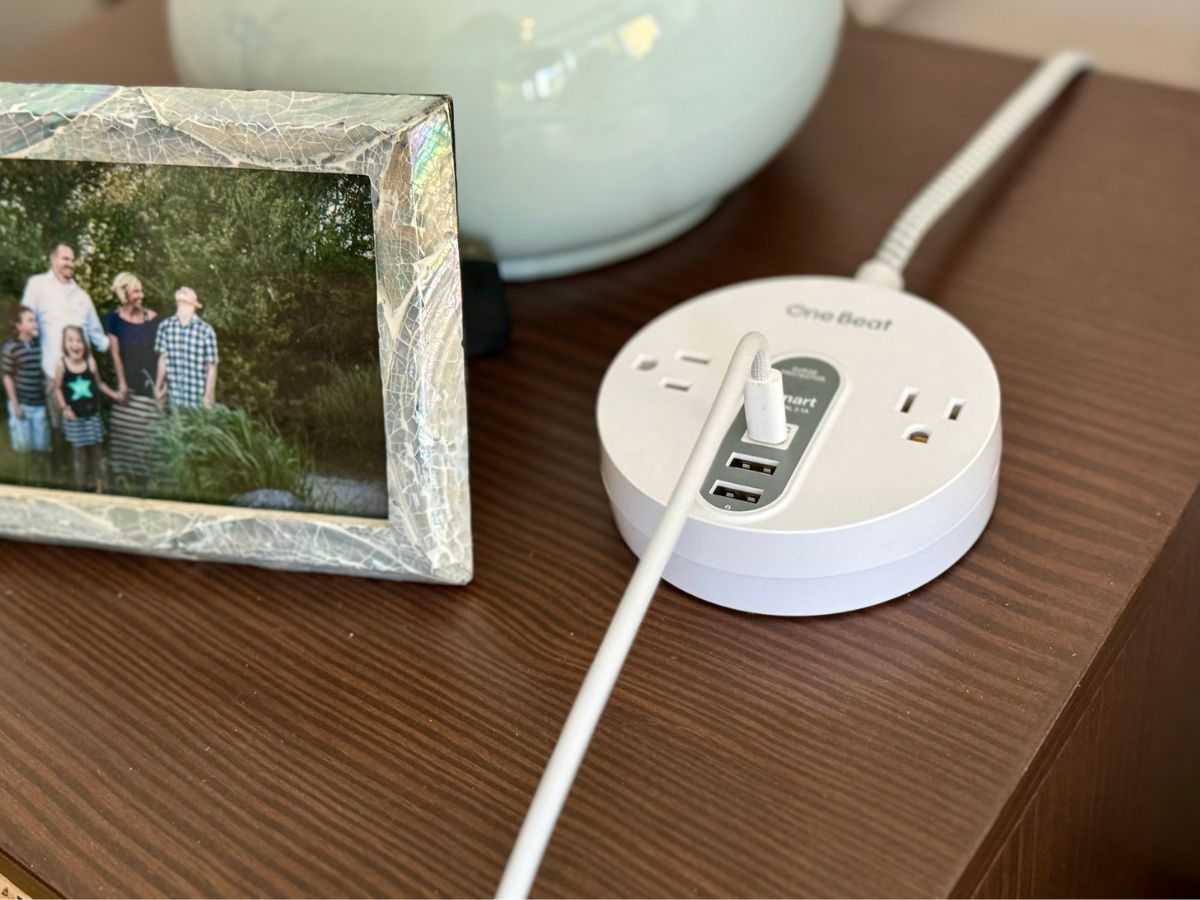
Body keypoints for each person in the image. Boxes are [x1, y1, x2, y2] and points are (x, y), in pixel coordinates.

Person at [21, 242, 110, 429]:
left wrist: (117, 346)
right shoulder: (38, 286)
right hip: (56, 375)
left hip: (85, 374)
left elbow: (97, 334)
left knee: (88, 428)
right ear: (53, 260)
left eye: (72, 259)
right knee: (60, 429)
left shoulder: (82, 295)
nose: (70, 263)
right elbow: (26, 322)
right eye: (65, 258)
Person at [104, 272, 162, 479]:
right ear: (124, 293)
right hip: (128, 391)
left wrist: (161, 387)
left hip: (150, 391)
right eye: (136, 291)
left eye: (141, 290)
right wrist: (121, 384)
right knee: (124, 446)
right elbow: (115, 354)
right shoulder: (114, 320)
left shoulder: (154, 319)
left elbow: (162, 356)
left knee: (149, 447)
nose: (141, 295)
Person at [55, 325, 120, 492]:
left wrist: (115, 395)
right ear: (64, 343)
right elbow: (57, 388)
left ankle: (103, 488)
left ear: (84, 344)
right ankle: (80, 490)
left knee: (98, 454)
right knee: (79, 456)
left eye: (79, 340)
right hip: (74, 418)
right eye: (70, 340)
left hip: (92, 416)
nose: (75, 344)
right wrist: (65, 408)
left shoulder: (90, 363)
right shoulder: (61, 364)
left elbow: (99, 384)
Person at [2, 307, 50, 478]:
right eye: (29, 320)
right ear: (18, 325)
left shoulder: (39, 345)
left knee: (41, 445)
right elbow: (8, 377)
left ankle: (41, 477)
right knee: (23, 446)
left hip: (39, 404)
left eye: (34, 320)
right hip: (21, 403)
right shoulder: (11, 348)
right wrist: (15, 404)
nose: (34, 323)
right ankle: (24, 477)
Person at [155, 286, 218, 409]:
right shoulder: (165, 327)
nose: (183, 289)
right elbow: (162, 360)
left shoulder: (206, 331)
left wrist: (207, 397)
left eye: (187, 291)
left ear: (196, 304)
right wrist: (158, 387)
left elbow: (212, 367)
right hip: (172, 403)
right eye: (181, 290)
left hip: (198, 404)